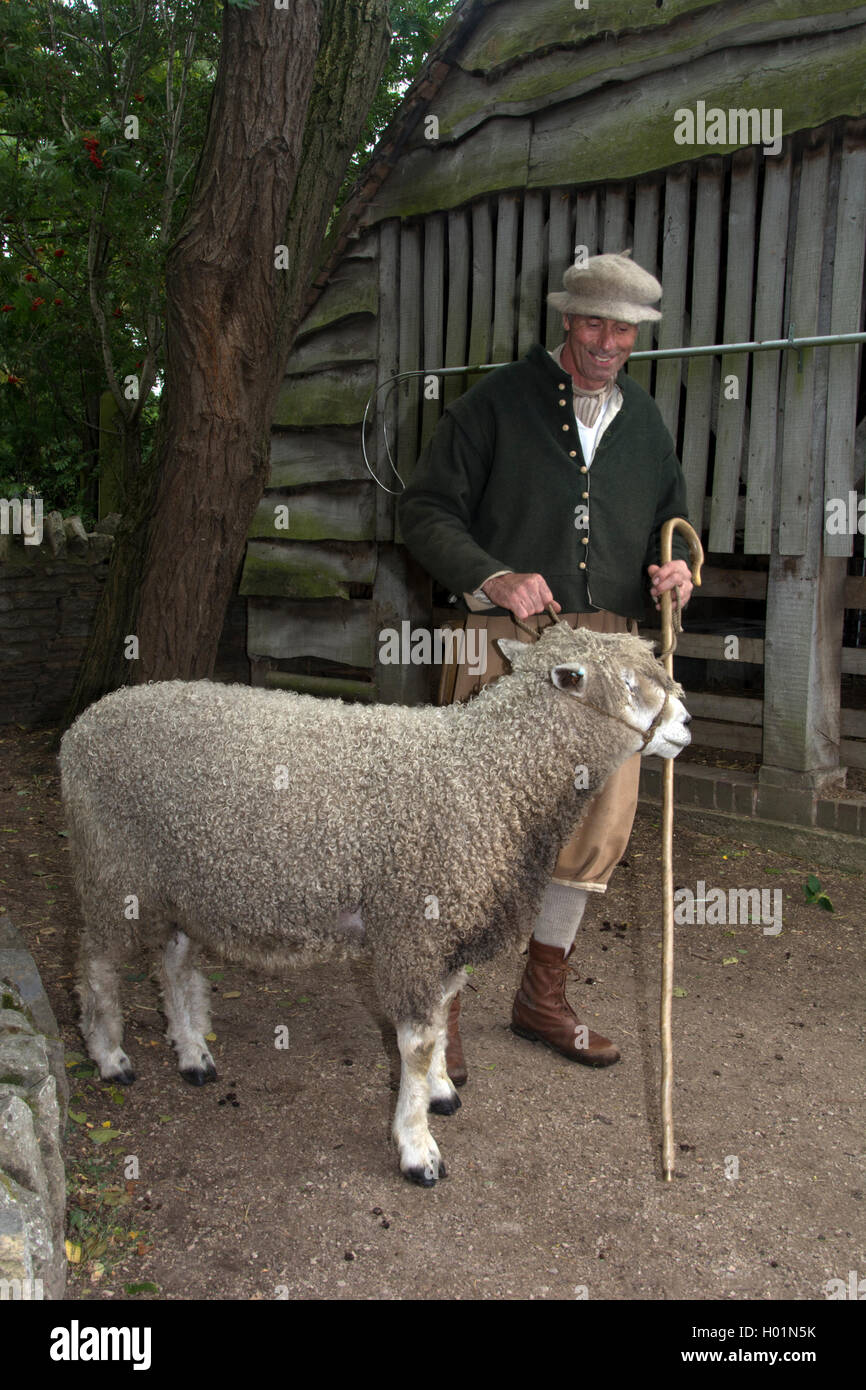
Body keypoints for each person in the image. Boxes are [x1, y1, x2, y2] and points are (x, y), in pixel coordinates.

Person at [397, 251, 693, 1085]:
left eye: (624, 329)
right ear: (566, 320)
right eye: (594, 323)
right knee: (470, 835)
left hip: (608, 652)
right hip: (502, 641)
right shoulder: (493, 405)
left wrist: (675, 571)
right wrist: (491, 574)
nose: (607, 342)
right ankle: (443, 1008)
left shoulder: (645, 422)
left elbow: (670, 517)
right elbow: (422, 510)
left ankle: (541, 997)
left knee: (597, 824)